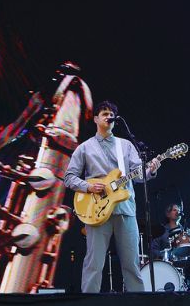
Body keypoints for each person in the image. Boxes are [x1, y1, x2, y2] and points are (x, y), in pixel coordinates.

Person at [62, 101, 159, 293]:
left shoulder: (126, 145)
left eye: (112, 114)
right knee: (94, 264)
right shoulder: (84, 148)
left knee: (132, 265)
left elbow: (138, 176)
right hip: (96, 210)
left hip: (125, 209)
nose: (109, 117)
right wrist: (88, 186)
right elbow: (69, 177)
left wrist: (151, 170)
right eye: (105, 113)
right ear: (96, 118)